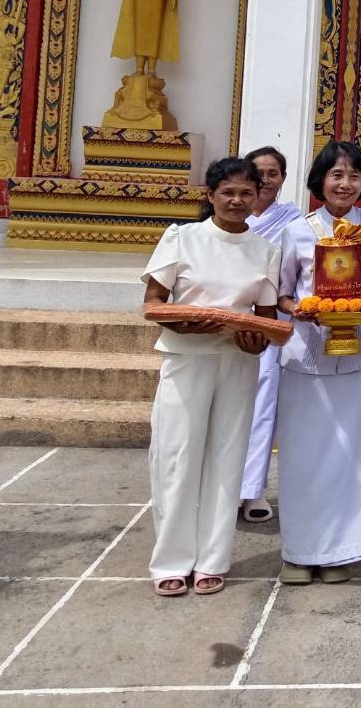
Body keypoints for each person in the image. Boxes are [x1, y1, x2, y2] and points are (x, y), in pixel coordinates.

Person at [142, 157, 279, 598]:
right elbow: (153, 303)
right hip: (186, 358)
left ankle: (212, 560)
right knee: (177, 457)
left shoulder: (265, 250)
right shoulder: (182, 238)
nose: (237, 201)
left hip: (237, 362)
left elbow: (267, 317)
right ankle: (171, 561)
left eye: (246, 193)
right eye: (228, 193)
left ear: (258, 196)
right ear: (211, 195)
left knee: (227, 458)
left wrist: (257, 339)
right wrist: (186, 321)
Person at [274, 141, 361, 585]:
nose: (346, 183)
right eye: (336, 175)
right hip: (307, 358)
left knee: (352, 455)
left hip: (359, 356)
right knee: (304, 455)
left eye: (354, 175)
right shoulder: (298, 231)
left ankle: (342, 551)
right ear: (320, 180)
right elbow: (282, 293)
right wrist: (301, 308)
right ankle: (300, 552)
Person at [238, 146, 301, 524]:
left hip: (270, 320)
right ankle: (220, 489)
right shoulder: (228, 215)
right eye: (258, 172)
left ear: (283, 178)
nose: (265, 179)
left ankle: (251, 490)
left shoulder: (293, 221)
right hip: (228, 316)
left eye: (273, 172)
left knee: (262, 405)